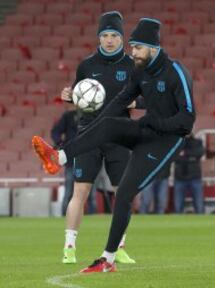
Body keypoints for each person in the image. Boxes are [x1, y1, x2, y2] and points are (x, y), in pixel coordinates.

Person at [32, 17, 195, 273]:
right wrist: (97, 116)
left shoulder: (176, 72)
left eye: (137, 48)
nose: (133, 53)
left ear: (152, 47)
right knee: (107, 125)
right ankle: (60, 157)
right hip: (145, 130)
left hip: (167, 139)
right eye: (132, 47)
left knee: (124, 194)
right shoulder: (139, 70)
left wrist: (154, 122)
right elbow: (120, 101)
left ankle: (109, 257)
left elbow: (187, 120)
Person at [58, 11, 137, 265]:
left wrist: (139, 101)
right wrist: (69, 95)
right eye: (105, 35)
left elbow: (148, 97)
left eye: (114, 35)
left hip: (119, 134)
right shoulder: (87, 65)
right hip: (89, 133)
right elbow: (79, 96)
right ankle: (69, 248)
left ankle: (120, 247)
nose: (110, 40)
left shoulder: (132, 65)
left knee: (122, 193)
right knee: (79, 191)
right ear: (99, 38)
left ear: (122, 38)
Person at [51, 109, 97, 216]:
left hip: (90, 159)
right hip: (72, 160)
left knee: (90, 193)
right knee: (69, 192)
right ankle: (64, 215)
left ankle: (92, 218)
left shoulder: (95, 115)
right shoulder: (68, 116)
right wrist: (60, 144)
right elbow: (55, 132)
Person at [173, 133, 205, 214]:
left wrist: (184, 153)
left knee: (199, 206)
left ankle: (201, 226)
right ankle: (178, 226)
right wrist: (191, 158)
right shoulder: (176, 143)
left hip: (195, 178)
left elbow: (200, 152)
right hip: (179, 178)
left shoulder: (198, 141)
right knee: (178, 207)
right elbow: (174, 157)